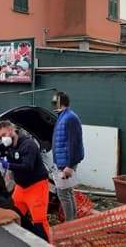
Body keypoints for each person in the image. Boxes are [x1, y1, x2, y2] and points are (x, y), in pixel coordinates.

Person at [0, 121, 50, 242]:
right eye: (0, 137)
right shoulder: (10, 147)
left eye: (4, 134)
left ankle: (46, 244)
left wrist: (8, 165)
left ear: (11, 130)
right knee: (14, 215)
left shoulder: (28, 145)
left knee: (39, 221)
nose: (3, 138)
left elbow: (27, 166)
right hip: (21, 187)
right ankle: (26, 240)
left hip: (36, 186)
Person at [51, 91, 84, 222]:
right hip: (63, 161)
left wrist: (70, 166)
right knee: (67, 192)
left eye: (54, 101)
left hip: (66, 162)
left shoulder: (70, 118)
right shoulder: (64, 117)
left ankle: (70, 223)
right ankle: (72, 221)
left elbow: (74, 143)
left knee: (63, 193)